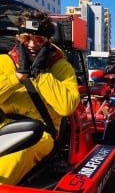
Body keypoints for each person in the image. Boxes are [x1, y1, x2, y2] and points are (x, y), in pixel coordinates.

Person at [0, 10, 80, 184]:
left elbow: (67, 106)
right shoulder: (3, 62)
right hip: (4, 128)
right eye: (26, 38)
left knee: (4, 170)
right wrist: (18, 77)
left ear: (48, 41)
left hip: (40, 133)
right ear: (18, 38)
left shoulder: (61, 67)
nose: (31, 44)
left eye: (39, 40)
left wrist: (41, 74)